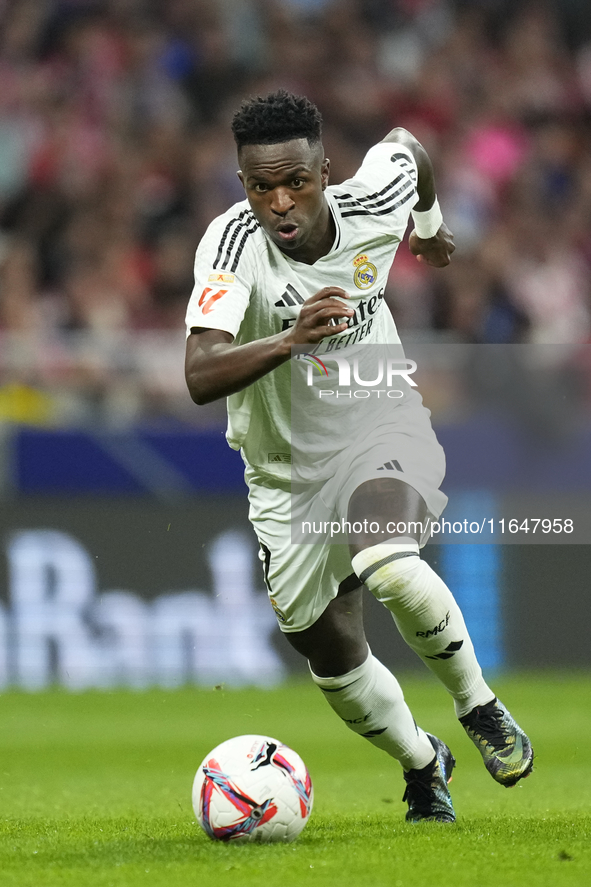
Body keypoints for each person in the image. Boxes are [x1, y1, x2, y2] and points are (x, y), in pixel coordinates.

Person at [184, 90, 533, 823]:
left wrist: (430, 230)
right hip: (282, 471)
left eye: (296, 182)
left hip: (378, 422)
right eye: (259, 187)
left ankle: (480, 707)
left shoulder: (374, 199)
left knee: (387, 558)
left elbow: (410, 144)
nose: (279, 202)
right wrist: (287, 340)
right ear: (242, 184)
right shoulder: (229, 247)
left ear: (324, 169)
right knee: (328, 654)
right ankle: (421, 760)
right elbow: (198, 372)